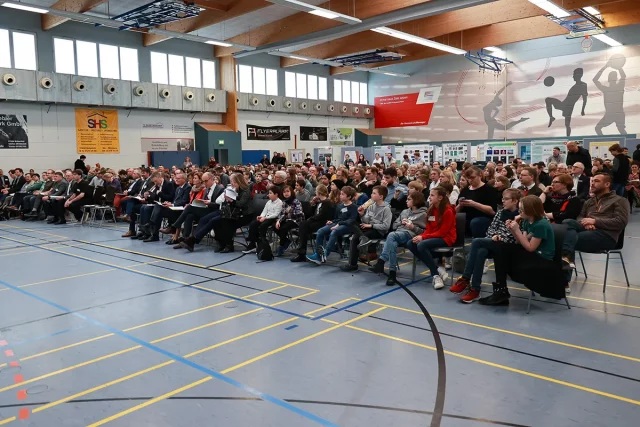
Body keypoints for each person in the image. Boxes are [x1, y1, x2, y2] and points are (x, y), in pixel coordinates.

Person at [479, 195, 566, 306]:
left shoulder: (541, 224)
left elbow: (530, 248)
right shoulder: (526, 221)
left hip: (542, 257)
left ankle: (501, 291)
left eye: (522, 209)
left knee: (505, 255)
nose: (519, 211)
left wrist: (517, 230)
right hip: (531, 253)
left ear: (531, 209)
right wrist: (513, 230)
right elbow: (521, 241)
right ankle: (501, 290)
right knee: (501, 249)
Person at [450, 188, 522, 303]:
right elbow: (491, 229)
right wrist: (494, 235)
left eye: (507, 199)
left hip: (510, 246)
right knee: (481, 252)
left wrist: (501, 237)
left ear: (515, 201)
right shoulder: (500, 213)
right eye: (503, 198)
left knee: (477, 242)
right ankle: (475, 289)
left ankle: (465, 278)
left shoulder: (520, 216)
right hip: (496, 243)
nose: (503, 201)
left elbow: (518, 235)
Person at [561, 173, 629, 271]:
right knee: (567, 222)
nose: (592, 184)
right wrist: (586, 223)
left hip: (606, 236)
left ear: (607, 184)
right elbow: (580, 216)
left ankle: (565, 266)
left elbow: (621, 222)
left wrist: (595, 221)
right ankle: (566, 260)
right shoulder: (589, 201)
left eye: (596, 181)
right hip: (586, 230)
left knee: (565, 240)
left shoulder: (619, 200)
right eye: (592, 181)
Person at [370, 192, 428, 285]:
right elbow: (394, 225)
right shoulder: (405, 211)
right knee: (392, 242)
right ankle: (392, 273)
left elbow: (424, 232)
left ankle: (381, 262)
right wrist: (401, 222)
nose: (406, 201)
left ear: (416, 201)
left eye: (409, 199)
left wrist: (412, 227)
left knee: (391, 236)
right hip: (398, 234)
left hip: (410, 234)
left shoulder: (423, 214)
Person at [405, 186, 456, 290]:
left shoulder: (448, 211)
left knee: (422, 244)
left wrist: (423, 238)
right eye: (430, 195)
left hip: (447, 238)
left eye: (432, 195)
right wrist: (421, 236)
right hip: (433, 237)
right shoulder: (431, 210)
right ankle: (437, 269)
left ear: (440, 197)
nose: (429, 197)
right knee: (411, 243)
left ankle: (435, 275)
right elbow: (429, 229)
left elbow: (442, 232)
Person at [341, 186, 392, 272]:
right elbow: (365, 220)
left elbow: (386, 226)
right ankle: (362, 238)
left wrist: (371, 225)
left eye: (374, 193)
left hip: (378, 231)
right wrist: (362, 214)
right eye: (372, 193)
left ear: (381, 196)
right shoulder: (371, 206)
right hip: (368, 228)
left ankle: (353, 264)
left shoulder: (386, 209)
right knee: (352, 224)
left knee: (356, 237)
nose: (371, 195)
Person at [306, 186, 358, 265]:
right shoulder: (340, 206)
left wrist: (339, 224)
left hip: (347, 226)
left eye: (343, 194)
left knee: (334, 231)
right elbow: (337, 218)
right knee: (320, 231)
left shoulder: (354, 207)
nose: (340, 195)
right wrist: (331, 221)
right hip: (337, 223)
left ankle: (325, 254)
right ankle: (318, 254)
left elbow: (351, 220)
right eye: (340, 194)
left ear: (349, 196)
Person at [291, 184, 334, 263]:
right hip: (316, 221)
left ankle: (301, 250)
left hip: (323, 222)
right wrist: (313, 204)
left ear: (319, 192)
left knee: (303, 226)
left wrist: (311, 219)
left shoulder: (327, 202)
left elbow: (322, 216)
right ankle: (301, 249)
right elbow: (311, 213)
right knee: (303, 225)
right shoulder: (319, 202)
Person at [457, 166, 500, 237]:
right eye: (468, 178)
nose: (470, 180)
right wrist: (460, 205)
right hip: (466, 218)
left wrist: (474, 204)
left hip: (483, 218)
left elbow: (492, 211)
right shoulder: (465, 190)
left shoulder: (489, 190)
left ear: (480, 175)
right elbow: (456, 211)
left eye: (472, 178)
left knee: (476, 222)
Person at [545, 68, 588, 137]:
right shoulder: (575, 86)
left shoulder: (583, 85)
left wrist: (582, 110)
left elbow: (585, 99)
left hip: (569, 107)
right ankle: (551, 117)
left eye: (574, 75)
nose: (573, 76)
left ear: (578, 75)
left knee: (567, 125)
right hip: (564, 104)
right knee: (548, 99)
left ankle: (568, 138)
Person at [243, 187, 283, 254]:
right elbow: (264, 211)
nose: (268, 195)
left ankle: (263, 245)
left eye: (270, 193)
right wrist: (261, 216)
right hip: (265, 217)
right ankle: (254, 243)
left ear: (276, 194)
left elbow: (276, 214)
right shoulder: (268, 202)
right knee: (253, 224)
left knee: (263, 226)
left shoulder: (280, 202)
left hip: (273, 219)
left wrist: (265, 218)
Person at [274, 185, 305, 256]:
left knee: (283, 228)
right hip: (288, 219)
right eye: (284, 192)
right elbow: (282, 214)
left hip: (296, 221)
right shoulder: (284, 202)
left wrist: (289, 212)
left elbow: (299, 214)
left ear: (291, 192)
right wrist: (278, 220)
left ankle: (282, 245)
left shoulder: (296, 201)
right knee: (275, 226)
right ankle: (286, 241)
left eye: (288, 191)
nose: (286, 193)